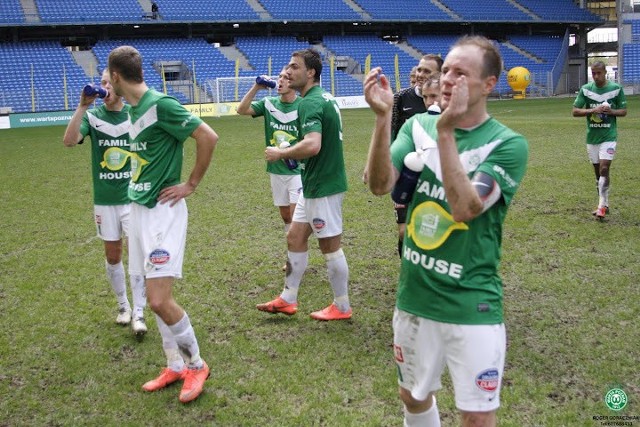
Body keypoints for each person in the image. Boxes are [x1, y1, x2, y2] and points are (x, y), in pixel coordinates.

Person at [364, 35, 529, 426]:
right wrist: (383, 118)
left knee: (476, 417)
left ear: (489, 84)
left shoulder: (506, 144)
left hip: (471, 301)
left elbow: (466, 208)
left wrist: (446, 131)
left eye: (462, 72)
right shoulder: (418, 124)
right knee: (413, 396)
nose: (450, 79)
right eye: (448, 70)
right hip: (415, 297)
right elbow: (378, 185)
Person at [107, 45, 218, 403]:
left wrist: (191, 184)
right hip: (139, 211)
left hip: (162, 213)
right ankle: (174, 364)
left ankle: (197, 364)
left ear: (117, 76)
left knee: (158, 300)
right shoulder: (134, 108)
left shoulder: (161, 104)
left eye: (107, 76)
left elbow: (207, 136)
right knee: (149, 293)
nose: (105, 82)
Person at [257, 48, 351, 321]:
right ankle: (288, 298)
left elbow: (313, 144)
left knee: (330, 247)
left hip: (324, 186)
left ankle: (342, 306)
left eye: (294, 67)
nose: (287, 71)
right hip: (313, 185)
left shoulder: (309, 102)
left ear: (310, 72)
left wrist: (281, 153)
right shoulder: (323, 97)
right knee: (295, 237)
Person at [62, 69, 148, 337]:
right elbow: (69, 141)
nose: (104, 87)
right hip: (105, 200)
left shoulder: (134, 114)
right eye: (102, 83)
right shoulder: (93, 116)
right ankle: (123, 306)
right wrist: (81, 106)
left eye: (109, 82)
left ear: (120, 85)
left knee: (137, 256)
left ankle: (139, 312)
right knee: (113, 256)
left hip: (132, 199)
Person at [237, 68, 302, 270]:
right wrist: (257, 86)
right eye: (280, 77)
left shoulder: (304, 105)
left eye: (286, 78)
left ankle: (295, 259)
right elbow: (242, 110)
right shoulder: (268, 104)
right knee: (286, 217)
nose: (281, 81)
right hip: (276, 170)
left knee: (296, 218)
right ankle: (297, 252)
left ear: (294, 83)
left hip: (298, 171)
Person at [391, 55, 443, 258]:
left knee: (430, 229)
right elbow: (393, 134)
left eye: (426, 71)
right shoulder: (401, 97)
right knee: (404, 230)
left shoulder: (445, 102)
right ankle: (407, 268)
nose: (420, 75)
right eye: (419, 70)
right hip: (406, 175)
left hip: (435, 179)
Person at [572, 61, 627, 220]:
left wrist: (611, 111)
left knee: (604, 169)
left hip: (609, 136)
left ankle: (601, 206)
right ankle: (605, 202)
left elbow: (623, 111)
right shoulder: (586, 90)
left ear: (605, 73)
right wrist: (592, 110)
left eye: (599, 73)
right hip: (592, 137)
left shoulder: (616, 89)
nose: (596, 76)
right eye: (593, 73)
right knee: (598, 174)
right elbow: (575, 111)